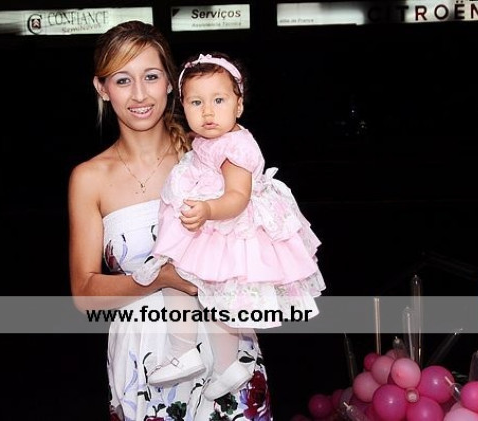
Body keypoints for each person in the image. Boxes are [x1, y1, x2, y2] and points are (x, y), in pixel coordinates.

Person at [68, 21, 273, 420]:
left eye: (150, 76)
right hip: (144, 363)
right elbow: (85, 295)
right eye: (122, 80)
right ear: (102, 88)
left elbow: (262, 246)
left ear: (169, 83)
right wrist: (161, 278)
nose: (139, 94)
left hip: (227, 356)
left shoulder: (213, 157)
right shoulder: (89, 178)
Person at [132, 52, 326, 400]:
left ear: (239, 105)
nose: (208, 112)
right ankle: (226, 366)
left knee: (183, 278)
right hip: (215, 225)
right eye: (196, 102)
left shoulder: (235, 146)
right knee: (214, 300)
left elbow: (237, 196)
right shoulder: (213, 140)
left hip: (227, 227)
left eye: (218, 100)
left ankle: (183, 351)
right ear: (183, 106)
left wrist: (208, 209)